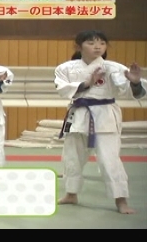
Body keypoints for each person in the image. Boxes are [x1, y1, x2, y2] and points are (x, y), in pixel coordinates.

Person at [55, 30, 145, 214]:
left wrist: (135, 83)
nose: (97, 47)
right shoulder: (65, 68)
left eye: (102, 43)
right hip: (78, 114)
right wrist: (87, 83)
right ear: (78, 46)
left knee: (109, 159)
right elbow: (62, 89)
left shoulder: (114, 68)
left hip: (105, 115)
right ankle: (71, 193)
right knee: (72, 156)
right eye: (91, 43)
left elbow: (128, 91)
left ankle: (121, 200)